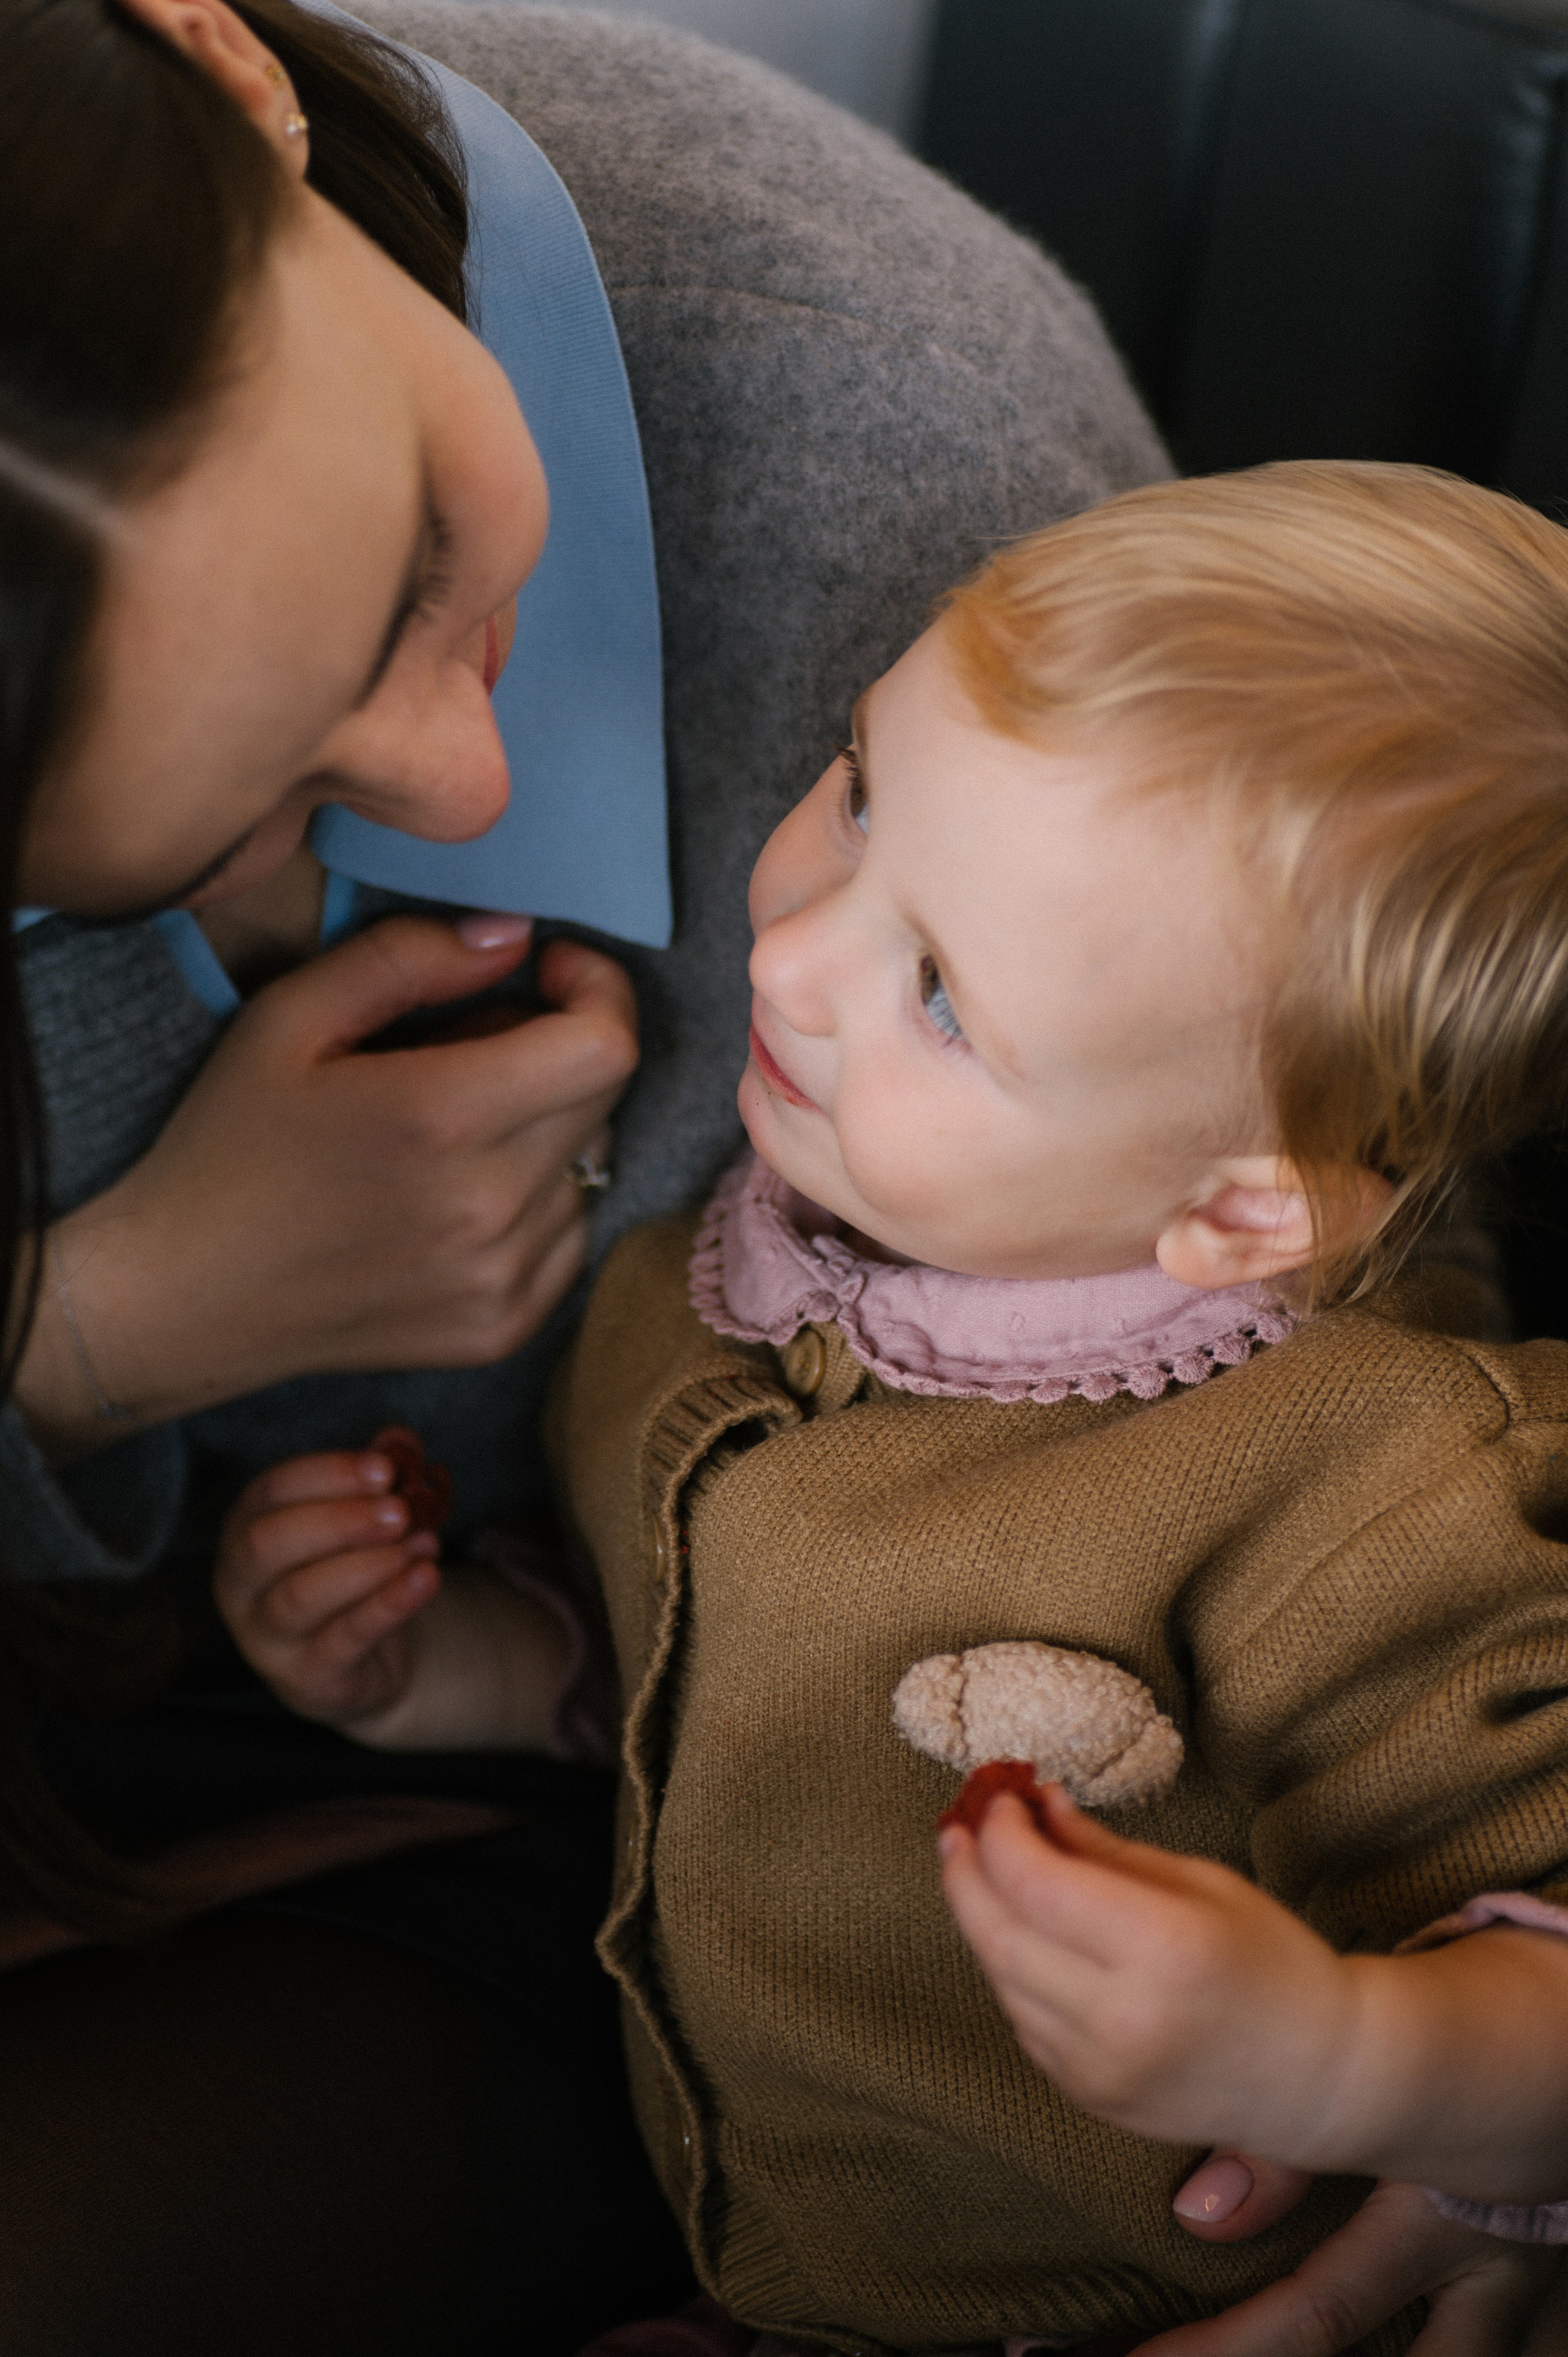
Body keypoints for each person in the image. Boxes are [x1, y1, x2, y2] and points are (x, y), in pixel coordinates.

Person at [0, 1, 1183, 2351]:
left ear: (220, 62)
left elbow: (1268, 1428)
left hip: (685, 1826)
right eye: (217, 824)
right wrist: (102, 1328)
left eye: (420, 557)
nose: (457, 784)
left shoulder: (930, 498)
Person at [221, 462, 1568, 2354]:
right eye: (861, 793)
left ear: (1241, 1208)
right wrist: (430, 1660)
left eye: (941, 993)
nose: (789, 956)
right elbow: (691, 1713)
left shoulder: (1359, 1484)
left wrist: (1350, 2056)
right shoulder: (701, 1294)